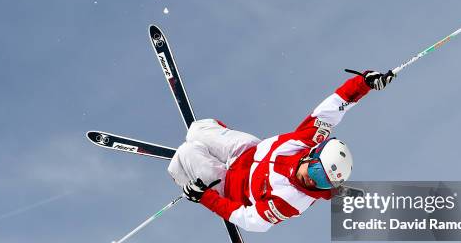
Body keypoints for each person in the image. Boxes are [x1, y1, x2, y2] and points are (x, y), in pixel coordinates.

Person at [168, 70, 396, 232]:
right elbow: (330, 111)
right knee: (197, 130)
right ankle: (208, 147)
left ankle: (185, 172)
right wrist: (364, 83)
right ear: (313, 154)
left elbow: (251, 221)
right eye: (316, 173)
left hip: (229, 186)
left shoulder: (290, 201)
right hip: (247, 152)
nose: (313, 182)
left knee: (185, 154)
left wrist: (206, 198)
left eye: (323, 184)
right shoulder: (307, 140)